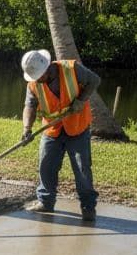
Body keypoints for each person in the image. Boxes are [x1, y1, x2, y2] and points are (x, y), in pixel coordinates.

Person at [20, 49, 101, 221]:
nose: (37, 80)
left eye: (39, 76)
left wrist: (81, 100)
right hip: (52, 130)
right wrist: (26, 129)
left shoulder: (72, 69)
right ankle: (45, 202)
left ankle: (88, 206)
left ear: (48, 68)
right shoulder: (33, 84)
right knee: (46, 166)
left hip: (77, 127)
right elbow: (29, 106)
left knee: (82, 169)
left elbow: (94, 80)